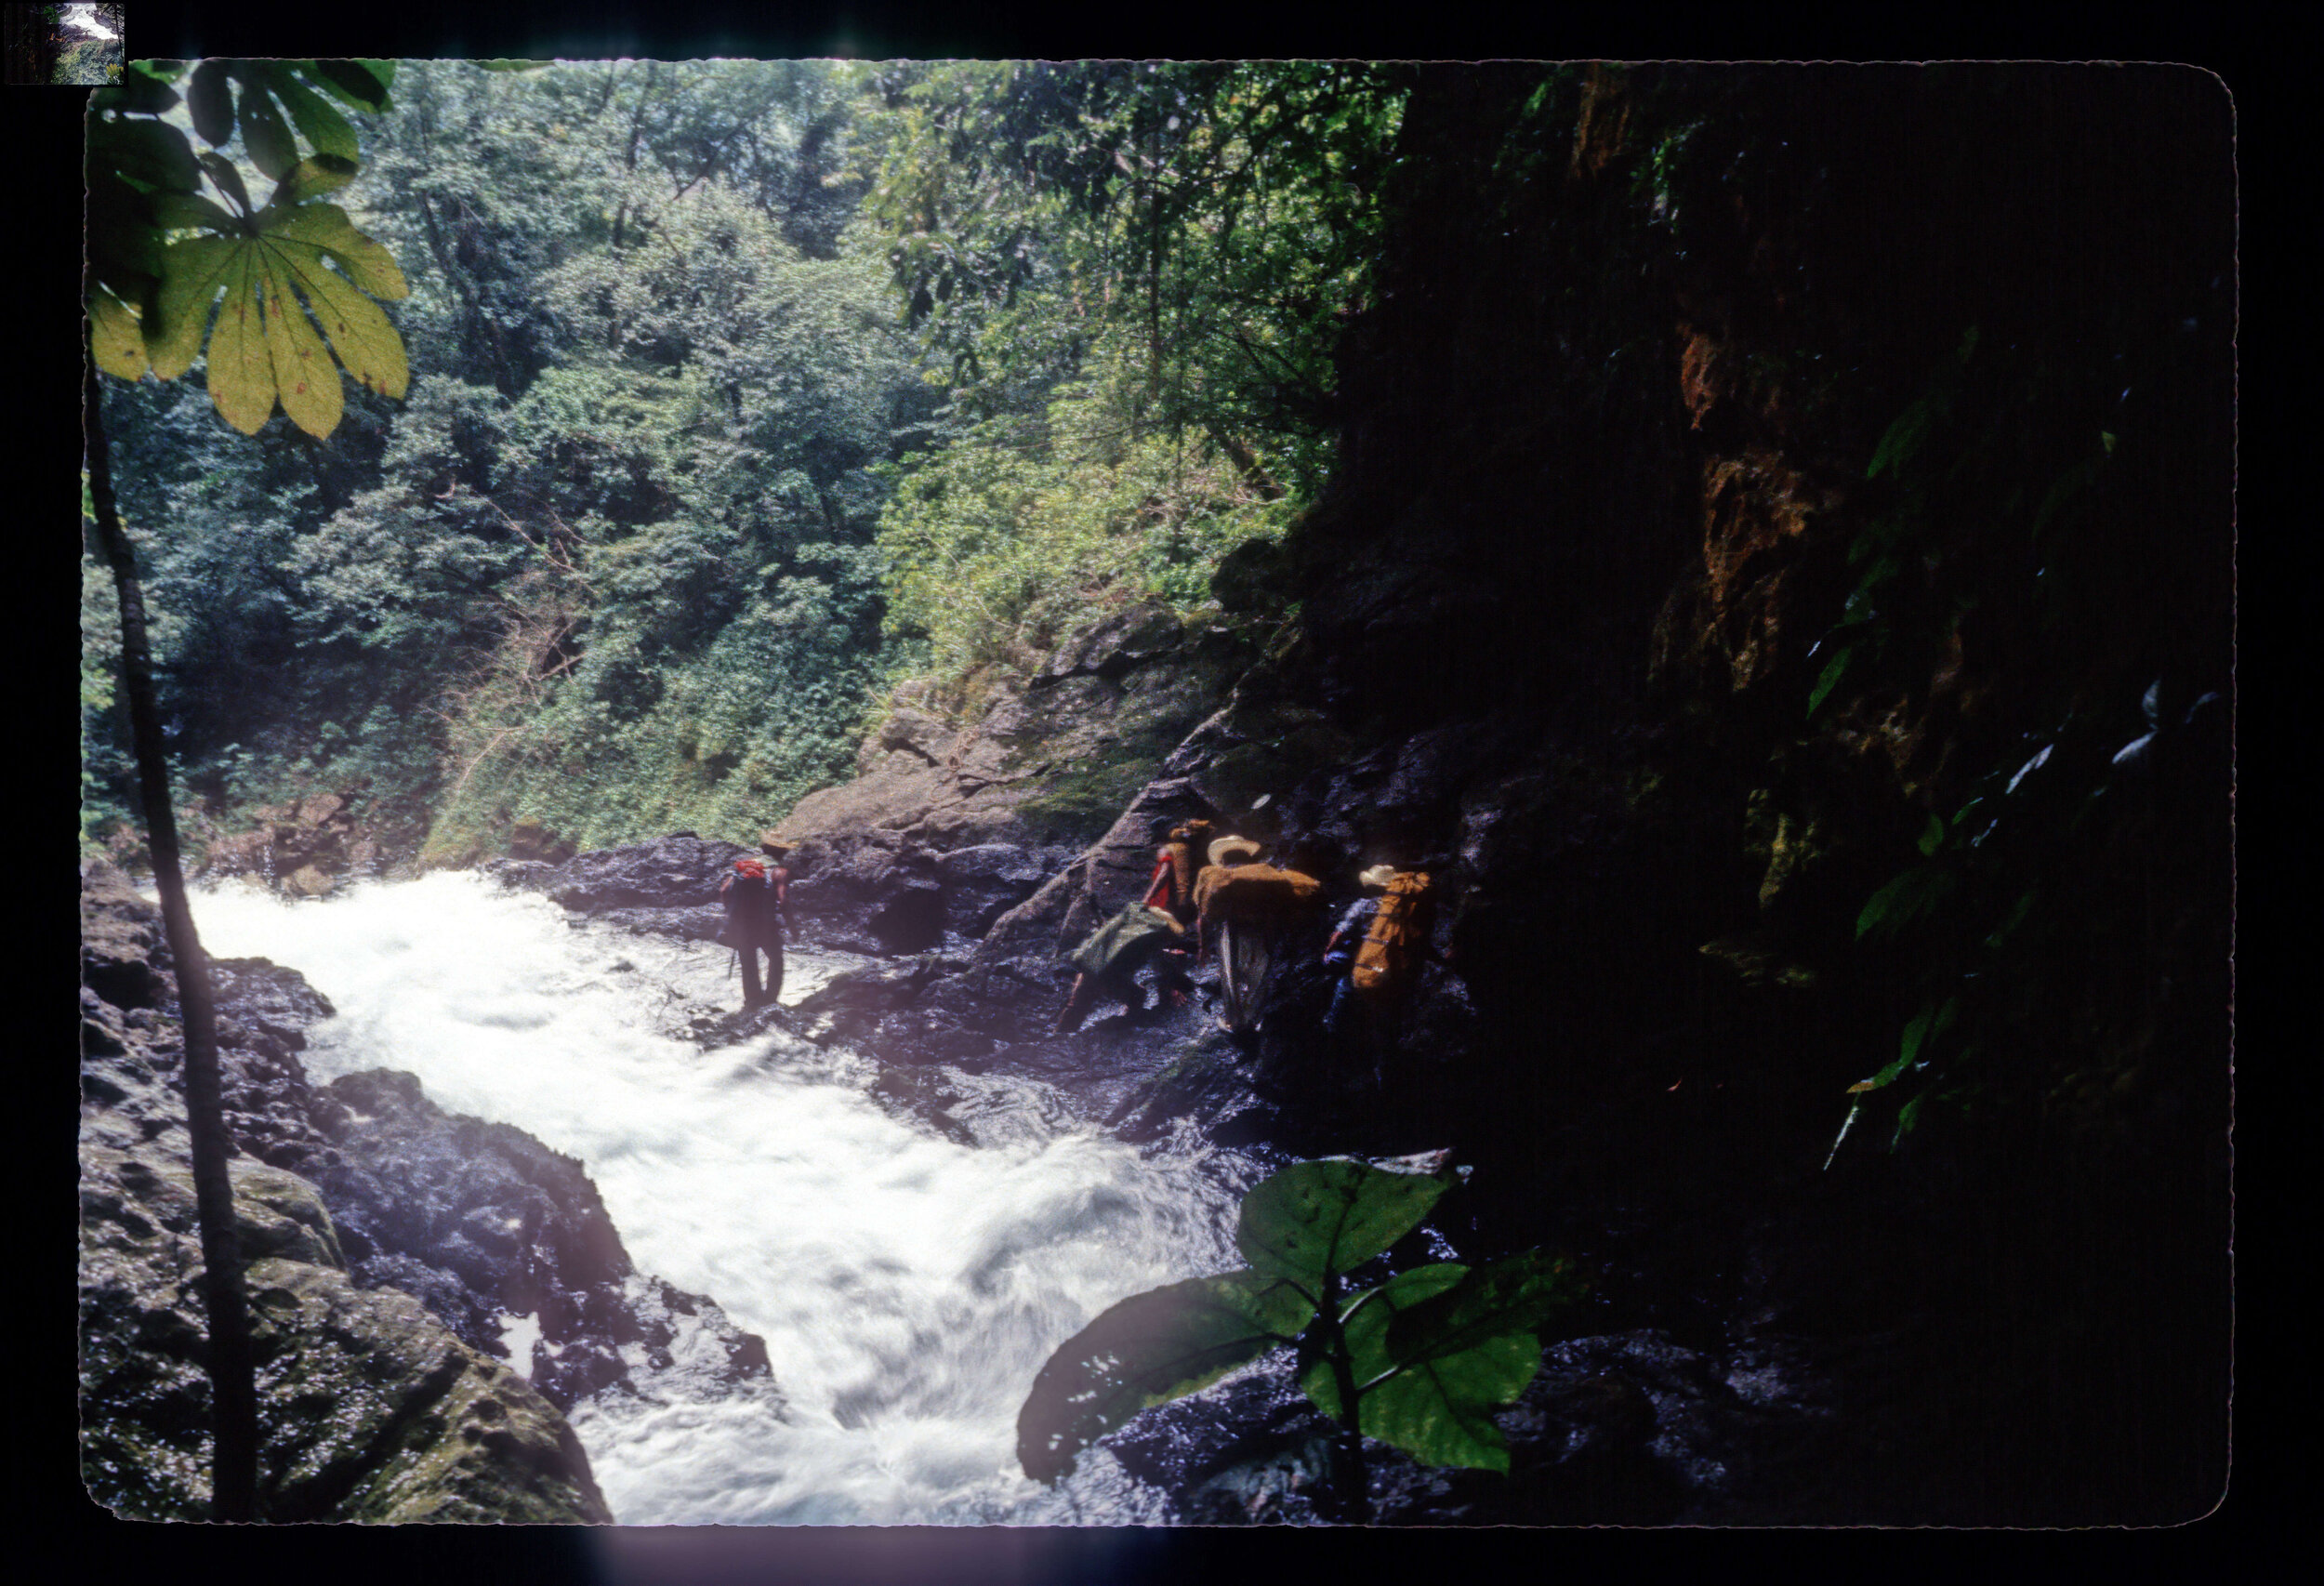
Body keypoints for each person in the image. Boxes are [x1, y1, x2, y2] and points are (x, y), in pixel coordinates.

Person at [1051, 899, 1195, 1035]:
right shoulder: (1160, 930)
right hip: (1106, 973)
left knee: (1077, 1006)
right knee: (1138, 997)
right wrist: (1174, 987)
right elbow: (1159, 960)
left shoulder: (1138, 910)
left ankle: (1057, 1037)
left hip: (1091, 960)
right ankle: (1117, 1034)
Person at [719, 831, 794, 1011]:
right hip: (766, 927)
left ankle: (752, 1001)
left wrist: (734, 915)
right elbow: (783, 901)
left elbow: (723, 891)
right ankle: (770, 1001)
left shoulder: (745, 869)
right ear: (783, 853)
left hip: (743, 926)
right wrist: (792, 926)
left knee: (748, 962)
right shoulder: (779, 871)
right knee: (776, 959)